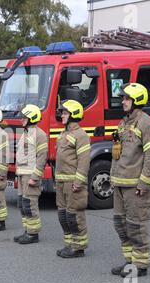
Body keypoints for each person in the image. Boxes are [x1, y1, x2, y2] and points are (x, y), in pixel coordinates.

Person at [110, 83, 150, 278]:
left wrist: (144, 183)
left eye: (127, 99)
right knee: (120, 224)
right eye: (123, 98)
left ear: (137, 101)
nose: (123, 101)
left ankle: (140, 265)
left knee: (136, 225)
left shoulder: (147, 124)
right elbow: (119, 153)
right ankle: (129, 261)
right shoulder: (124, 123)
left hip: (135, 186)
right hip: (120, 183)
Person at [55, 100, 91, 258]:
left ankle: (78, 248)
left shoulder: (81, 135)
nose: (62, 115)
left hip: (73, 183)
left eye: (65, 113)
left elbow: (84, 161)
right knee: (63, 215)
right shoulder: (64, 133)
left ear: (73, 115)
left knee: (74, 215)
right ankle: (69, 244)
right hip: (62, 181)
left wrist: (78, 182)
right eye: (62, 112)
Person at [14, 104, 48, 245]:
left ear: (32, 118)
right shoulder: (26, 133)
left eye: (25, 117)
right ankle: (27, 230)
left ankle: (33, 234)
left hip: (30, 176)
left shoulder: (39, 134)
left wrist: (35, 177)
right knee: (23, 204)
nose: (22, 119)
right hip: (22, 174)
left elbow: (42, 157)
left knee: (30, 204)